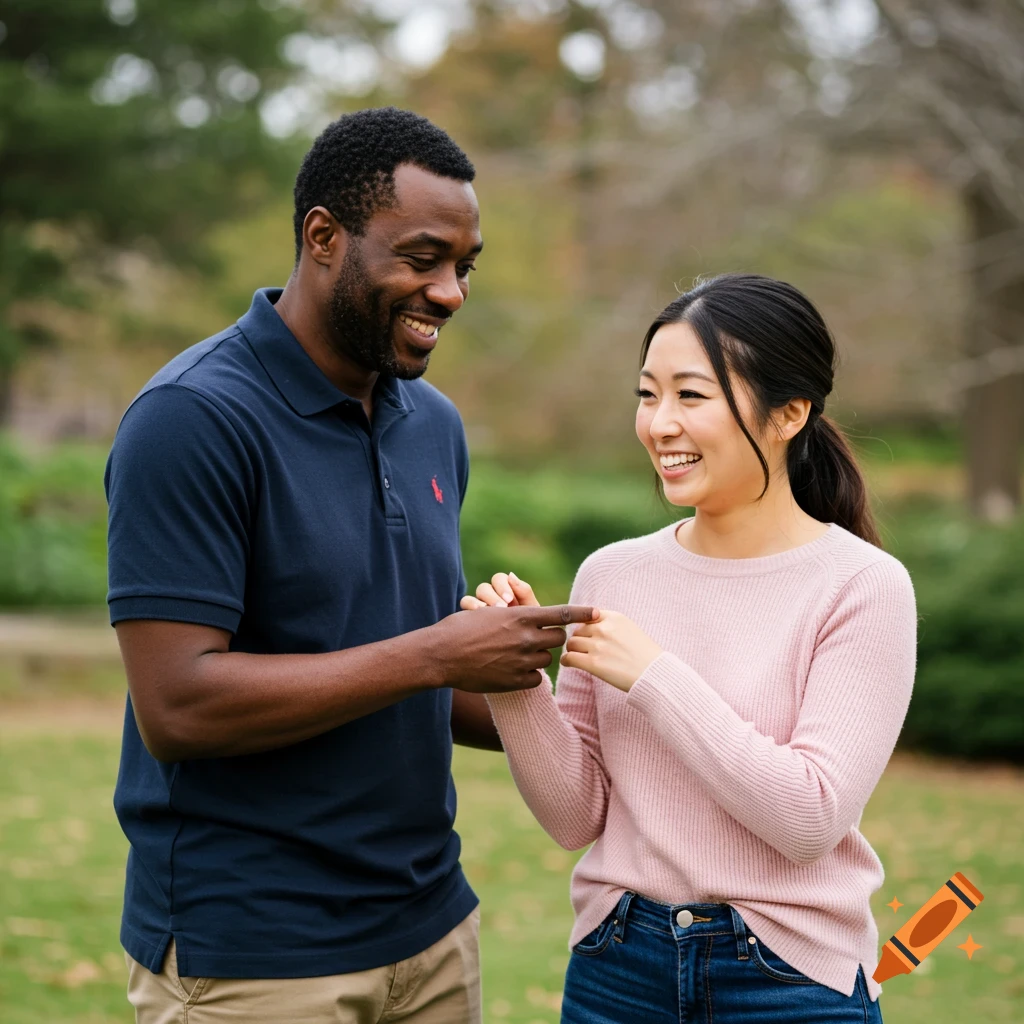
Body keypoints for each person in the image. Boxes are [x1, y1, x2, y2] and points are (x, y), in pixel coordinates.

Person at [105, 106, 594, 1024]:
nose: (450, 292)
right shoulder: (192, 420)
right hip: (256, 956)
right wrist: (442, 654)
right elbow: (178, 705)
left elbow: (394, 676)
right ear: (323, 238)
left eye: (463, 267)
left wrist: (596, 710)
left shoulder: (433, 424)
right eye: (421, 258)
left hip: (432, 932)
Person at [463, 274, 917, 1023]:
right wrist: (515, 682)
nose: (659, 424)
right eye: (648, 395)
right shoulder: (612, 573)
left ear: (789, 413)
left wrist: (653, 675)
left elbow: (810, 819)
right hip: (618, 967)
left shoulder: (862, 586)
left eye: (691, 396)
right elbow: (576, 818)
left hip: (788, 980)